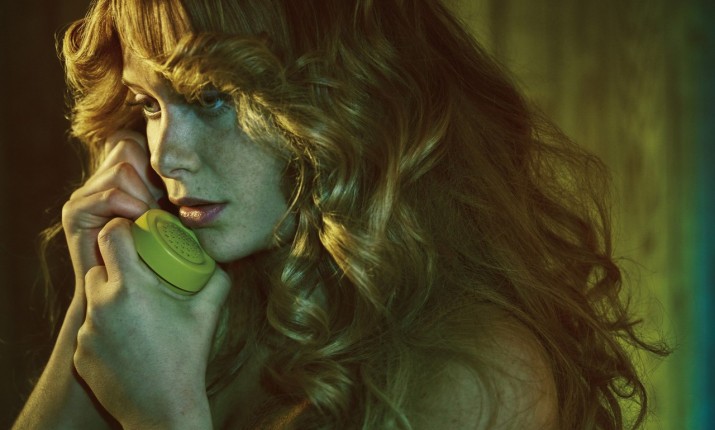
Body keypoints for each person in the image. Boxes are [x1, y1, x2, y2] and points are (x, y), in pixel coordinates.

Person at [13, 0, 668, 428]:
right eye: (149, 105)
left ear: (344, 96)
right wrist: (92, 301)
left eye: (211, 98)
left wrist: (164, 415)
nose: (164, 155)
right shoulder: (215, 309)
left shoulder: (481, 375)